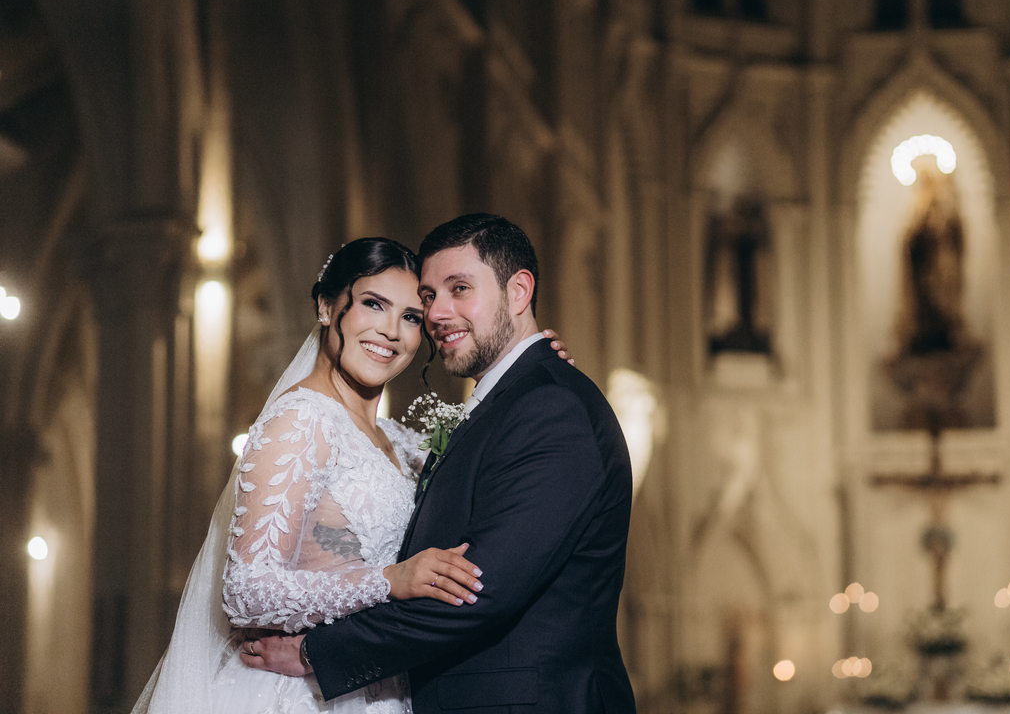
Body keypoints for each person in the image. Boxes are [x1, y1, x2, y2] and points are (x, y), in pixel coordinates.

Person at [132, 237, 573, 713]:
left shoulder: (402, 442)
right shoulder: (299, 422)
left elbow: (481, 481)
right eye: (373, 304)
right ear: (326, 306)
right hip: (299, 692)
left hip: (382, 684)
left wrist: (527, 374)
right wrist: (389, 581)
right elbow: (246, 591)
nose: (391, 331)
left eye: (411, 317)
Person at [245, 214, 638, 713]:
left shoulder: (549, 407)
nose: (436, 313)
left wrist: (315, 653)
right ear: (326, 307)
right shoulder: (504, 406)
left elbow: (478, 590)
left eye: (459, 289)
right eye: (429, 297)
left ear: (518, 292)